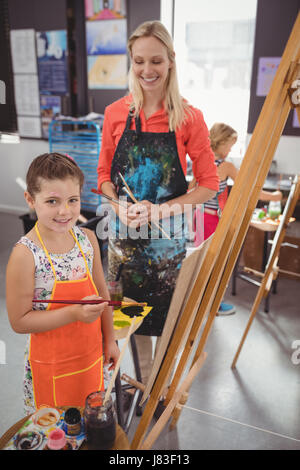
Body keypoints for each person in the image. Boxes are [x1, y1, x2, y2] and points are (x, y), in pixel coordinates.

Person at [97, 20, 219, 384]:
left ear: (171, 61)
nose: (147, 70)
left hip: (166, 246)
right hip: (123, 242)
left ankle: (156, 385)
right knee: (124, 319)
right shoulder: (115, 113)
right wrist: (119, 207)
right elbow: (104, 176)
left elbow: (209, 184)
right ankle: (134, 379)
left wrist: (160, 209)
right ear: (131, 62)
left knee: (163, 317)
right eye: (139, 61)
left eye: (156, 61)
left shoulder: (188, 117)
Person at [6, 153, 119, 414]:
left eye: (73, 200)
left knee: (89, 423)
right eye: (52, 201)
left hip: (90, 357)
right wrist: (74, 313)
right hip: (50, 365)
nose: (64, 211)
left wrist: (110, 339)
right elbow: (19, 321)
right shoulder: (26, 254)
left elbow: (102, 293)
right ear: (31, 200)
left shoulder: (87, 239)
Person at [190, 122, 282, 315]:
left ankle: (200, 305)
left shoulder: (201, 159)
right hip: (212, 222)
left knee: (203, 264)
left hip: (198, 218)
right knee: (216, 265)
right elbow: (249, 191)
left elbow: (191, 192)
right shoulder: (226, 166)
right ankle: (212, 306)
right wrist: (274, 196)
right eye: (230, 144)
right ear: (221, 142)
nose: (231, 148)